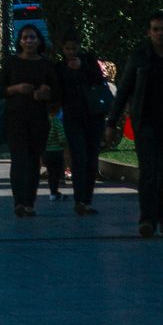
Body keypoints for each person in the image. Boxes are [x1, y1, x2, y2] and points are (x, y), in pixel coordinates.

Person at [110, 13, 163, 237]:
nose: (160, 33)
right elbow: (125, 89)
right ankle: (147, 220)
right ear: (149, 32)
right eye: (156, 29)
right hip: (146, 123)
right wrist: (111, 121)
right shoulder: (140, 57)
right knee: (149, 173)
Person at [0, 25, 60, 217]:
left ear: (39, 40)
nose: (29, 41)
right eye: (25, 38)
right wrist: (15, 89)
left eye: (32, 37)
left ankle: (29, 202)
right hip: (15, 117)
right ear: (20, 41)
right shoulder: (12, 63)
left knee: (33, 161)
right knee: (18, 159)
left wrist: (45, 94)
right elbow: (0, 90)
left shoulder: (46, 64)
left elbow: (56, 92)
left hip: (38, 118)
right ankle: (19, 202)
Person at [54, 33, 111, 214]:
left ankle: (88, 200)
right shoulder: (60, 67)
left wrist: (82, 68)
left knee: (91, 158)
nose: (71, 52)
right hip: (73, 117)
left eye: (74, 48)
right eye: (68, 49)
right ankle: (80, 200)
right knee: (79, 158)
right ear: (62, 50)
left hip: (93, 116)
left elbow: (99, 81)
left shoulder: (89, 61)